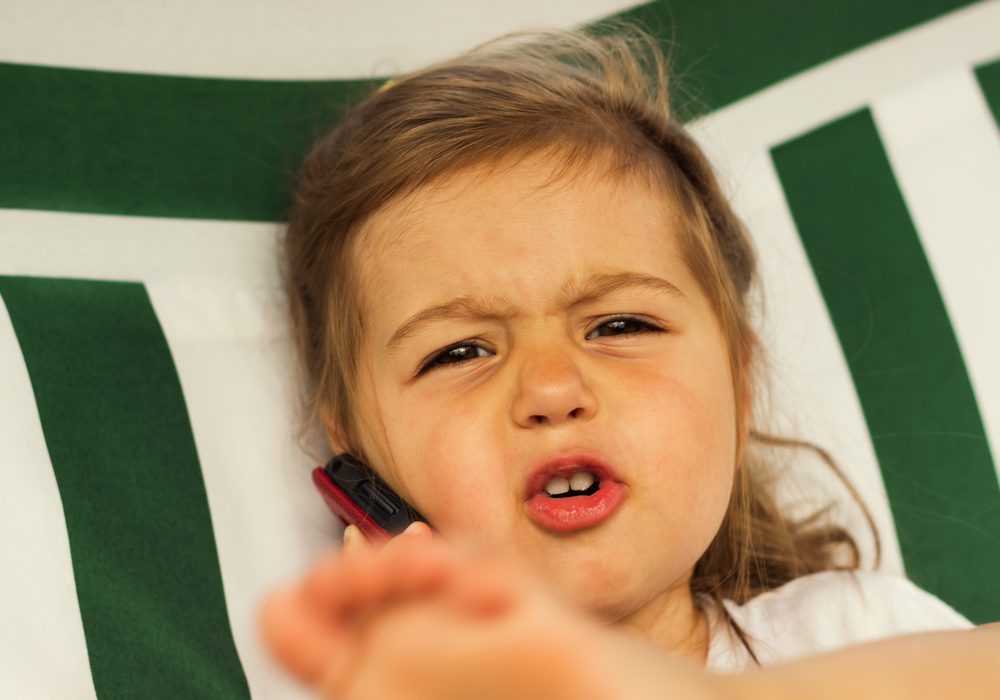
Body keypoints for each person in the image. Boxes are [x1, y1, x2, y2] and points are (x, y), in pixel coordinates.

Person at [260, 26, 999, 699]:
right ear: (360, 464)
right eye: (460, 351)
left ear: (739, 388)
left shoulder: (859, 632)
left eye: (619, 324)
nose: (551, 388)